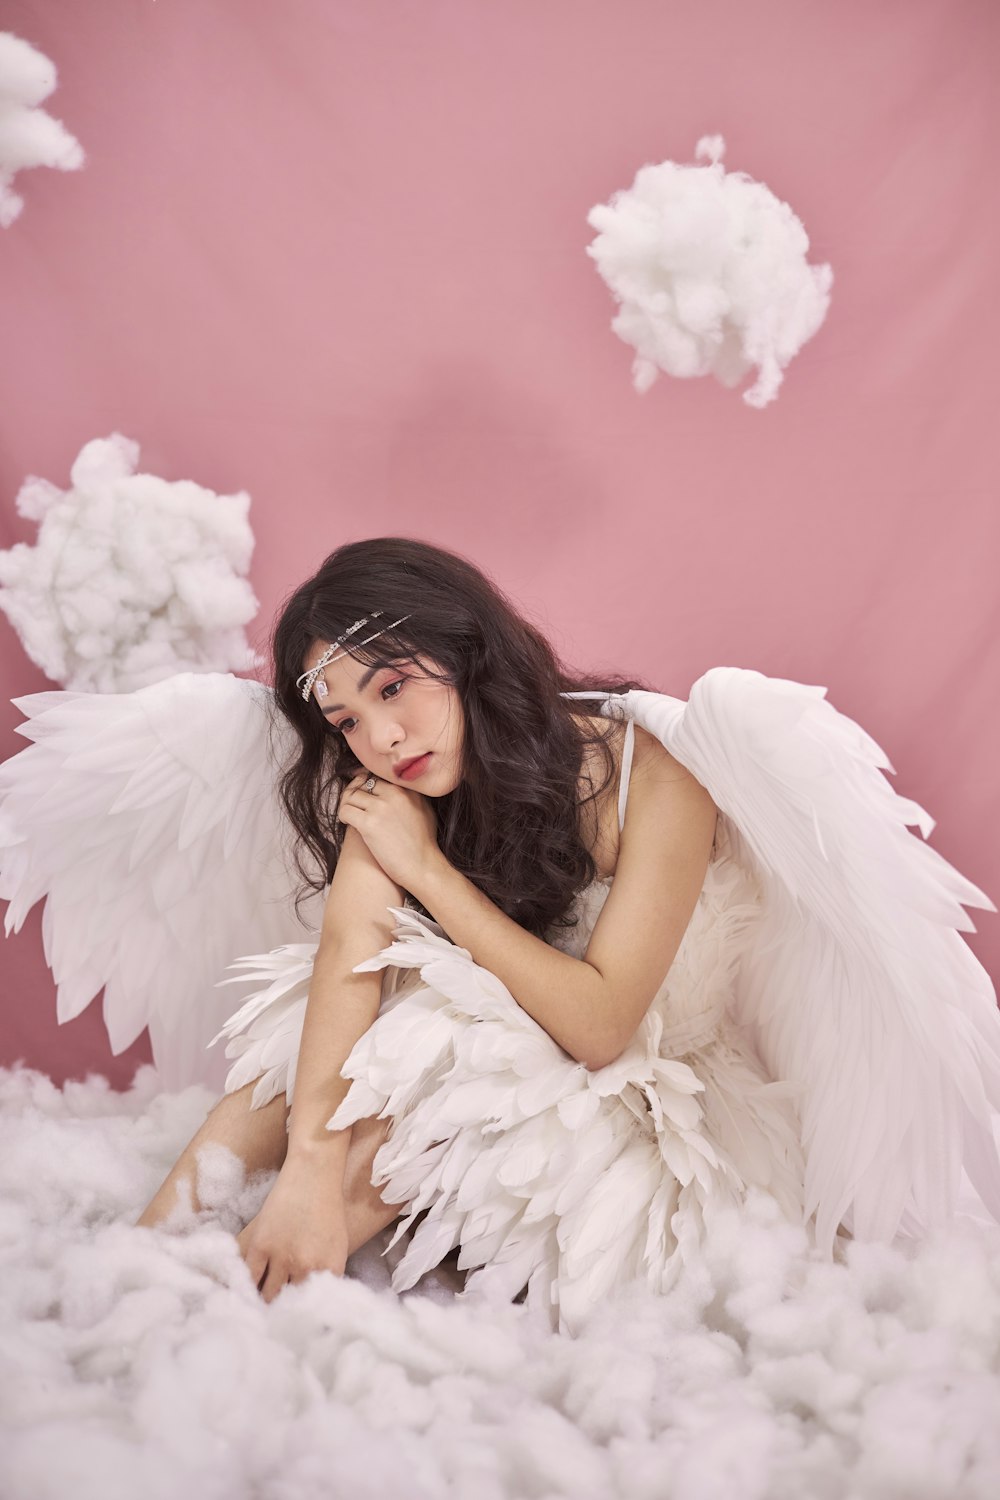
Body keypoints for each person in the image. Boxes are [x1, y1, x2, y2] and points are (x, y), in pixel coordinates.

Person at [4, 536, 1000, 1334]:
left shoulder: (659, 771)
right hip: (501, 1090)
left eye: (393, 686)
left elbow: (603, 1025)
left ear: (468, 652)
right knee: (325, 1016)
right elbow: (346, 964)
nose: (381, 737)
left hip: (657, 1123)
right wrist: (307, 1162)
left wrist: (431, 872)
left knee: (440, 1019)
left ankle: (221, 1308)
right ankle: (140, 1270)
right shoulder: (398, 787)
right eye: (346, 719)